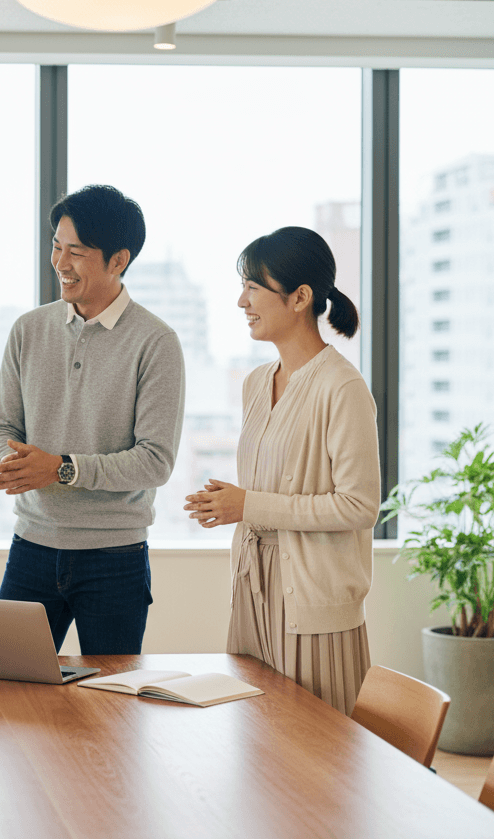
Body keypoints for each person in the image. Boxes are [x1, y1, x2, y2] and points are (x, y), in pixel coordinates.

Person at [183, 226, 380, 715]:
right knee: (257, 755)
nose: (241, 301)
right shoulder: (255, 382)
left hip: (313, 606)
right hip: (252, 592)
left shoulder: (343, 388)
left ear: (300, 298)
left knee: (321, 763)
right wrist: (228, 503)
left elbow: (359, 506)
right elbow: (268, 487)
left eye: (252, 287)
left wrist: (249, 504)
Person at [0, 184, 185, 654]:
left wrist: (61, 468)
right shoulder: (28, 330)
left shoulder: (156, 342)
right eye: (56, 246)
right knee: (6, 689)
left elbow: (155, 461)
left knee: (111, 710)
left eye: (76, 251)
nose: (60, 262)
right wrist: (13, 462)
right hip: (31, 547)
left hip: (115, 557)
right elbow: (2, 427)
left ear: (118, 260)